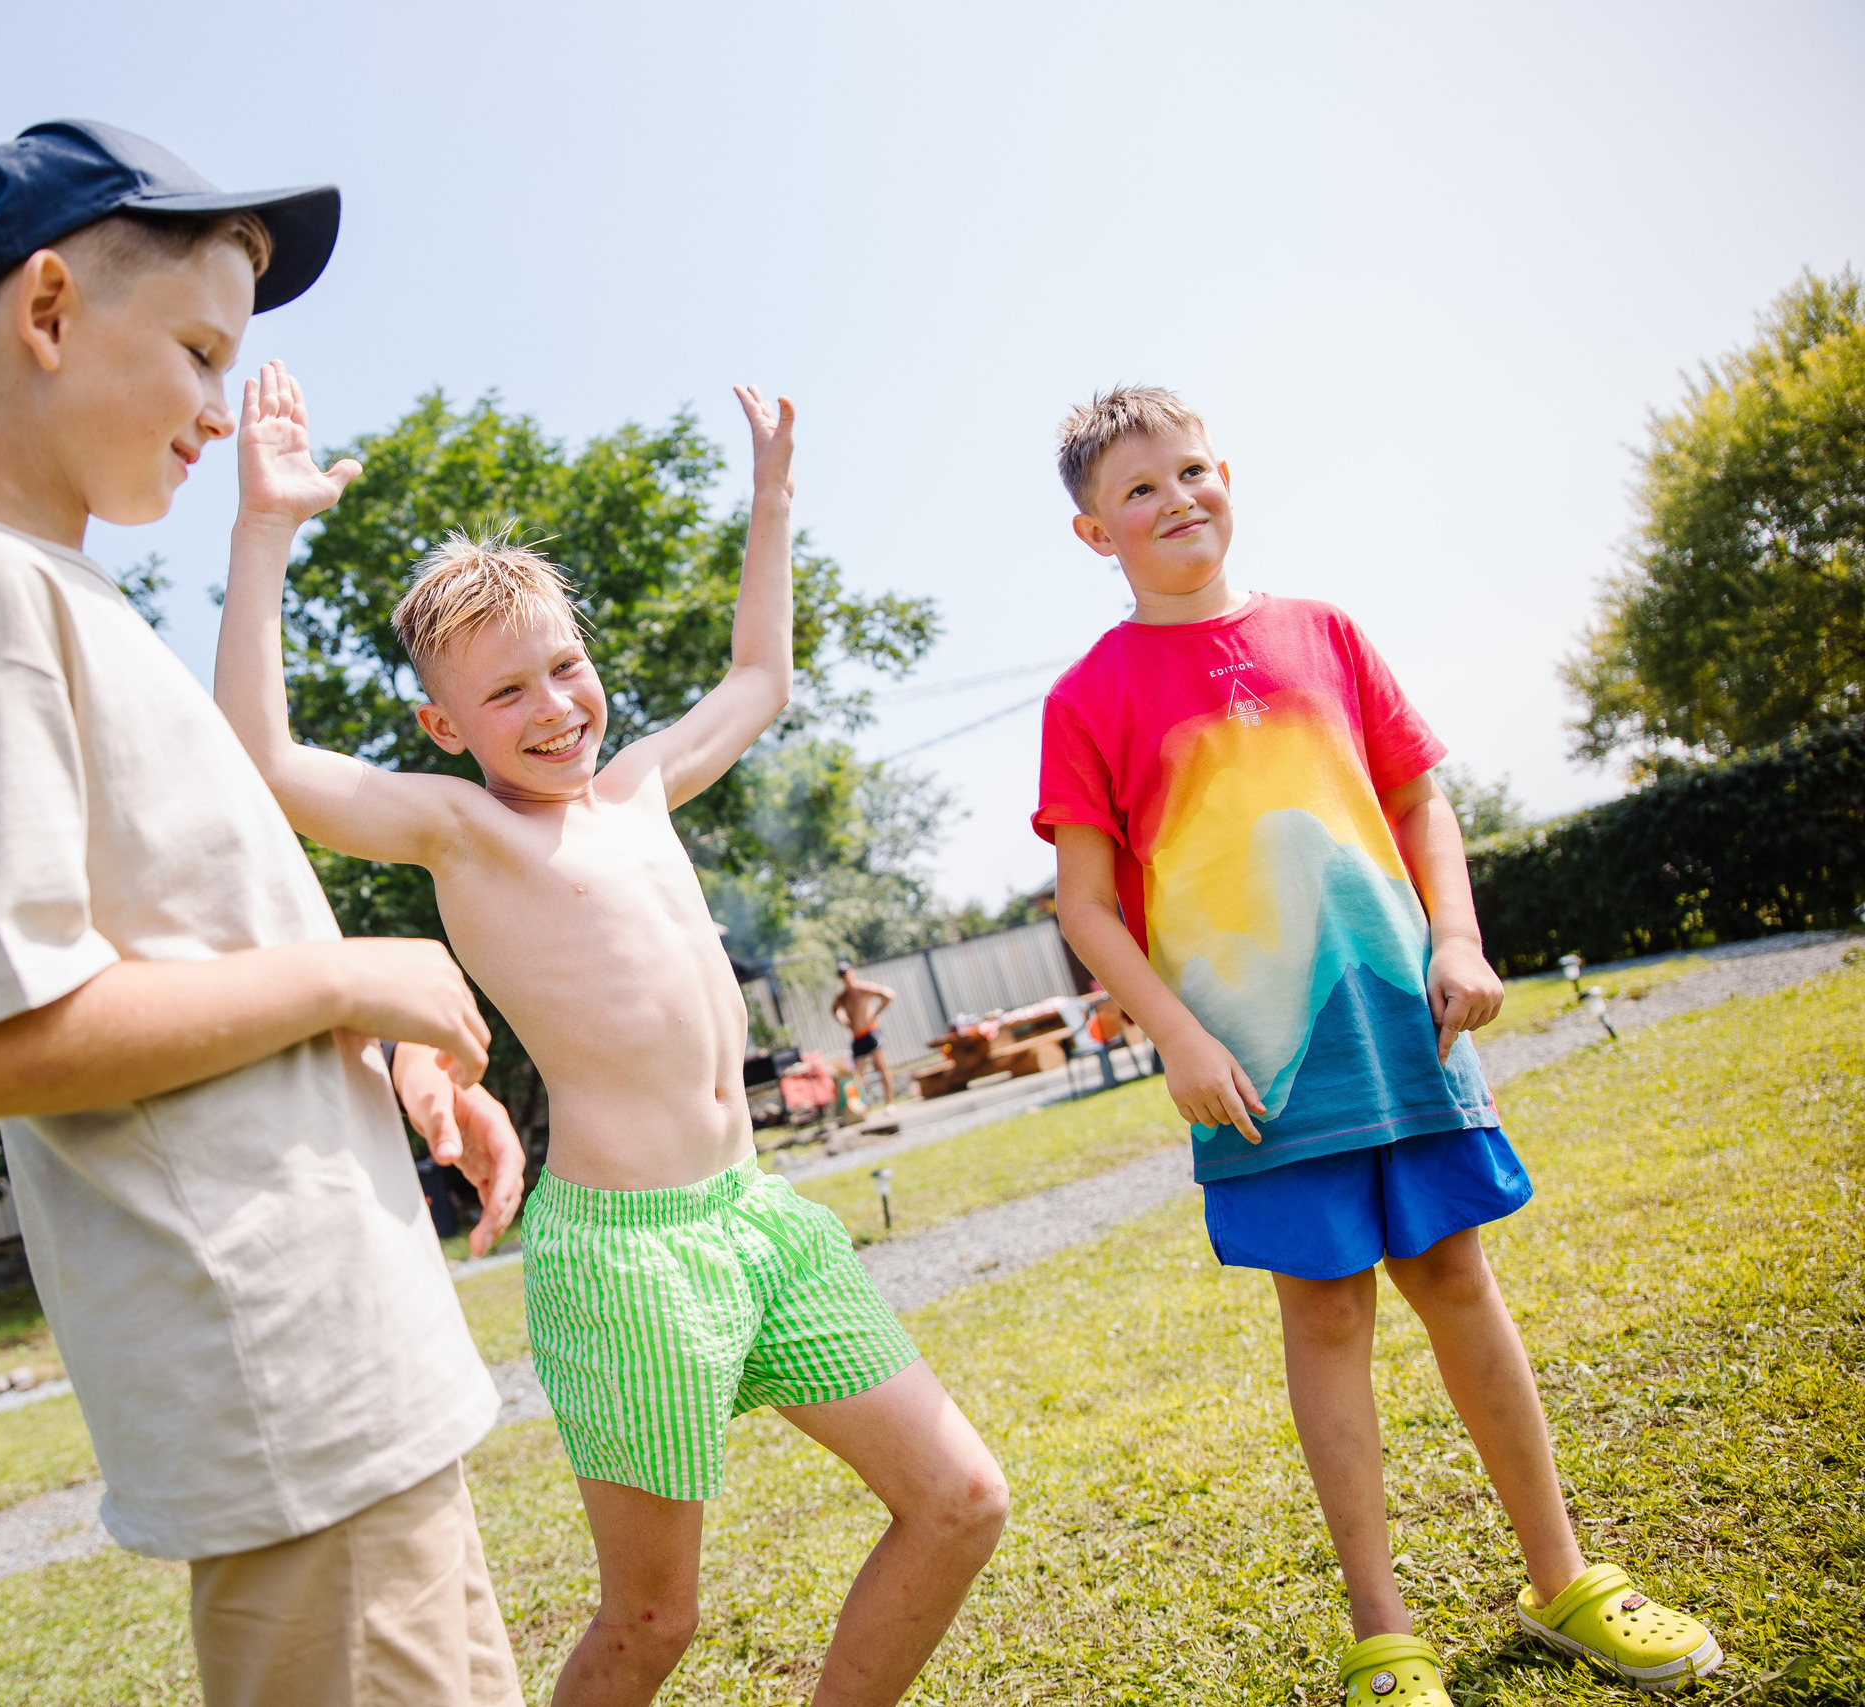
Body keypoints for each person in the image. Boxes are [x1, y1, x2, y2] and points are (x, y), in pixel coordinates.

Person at [216, 375, 1008, 1707]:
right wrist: (263, 530)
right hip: (626, 1255)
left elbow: (761, 675)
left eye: (566, 667)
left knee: (961, 1498)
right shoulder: (464, 830)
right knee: (653, 1618)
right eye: (507, 691)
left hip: (759, 1219)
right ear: (445, 727)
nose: (554, 705)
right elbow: (264, 757)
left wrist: (770, 500)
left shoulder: (640, 783)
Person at [0, 120, 528, 1707]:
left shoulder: (68, 597)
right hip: (286, 1381)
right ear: (45, 311)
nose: (220, 406)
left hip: (342, 1360)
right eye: (197, 349)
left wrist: (387, 1061)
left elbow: (191, 964)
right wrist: (352, 972)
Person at [1032, 387, 1722, 1707]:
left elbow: (1416, 793)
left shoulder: (1324, 631)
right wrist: (1173, 1033)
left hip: (1407, 1022)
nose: (1179, 498)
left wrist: (1456, 937)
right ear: (1092, 532)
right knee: (1328, 1304)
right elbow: (1085, 903)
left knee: (1456, 1275)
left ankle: (1566, 1576)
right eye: (1140, 489)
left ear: (1226, 472)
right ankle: (1385, 1632)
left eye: (1192, 469)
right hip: (1259, 1068)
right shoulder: (1091, 694)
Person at [827, 962, 900, 1105]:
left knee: (881, 1067)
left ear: (852, 972)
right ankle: (862, 1105)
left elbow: (889, 994)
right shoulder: (843, 996)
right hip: (857, 1037)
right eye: (841, 975)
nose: (844, 977)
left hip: (870, 1032)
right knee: (857, 1074)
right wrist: (845, 1022)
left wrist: (876, 1013)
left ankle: (890, 1103)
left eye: (846, 973)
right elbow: (834, 1010)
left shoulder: (863, 988)